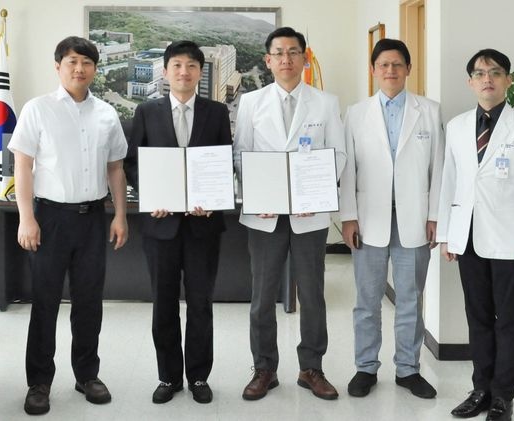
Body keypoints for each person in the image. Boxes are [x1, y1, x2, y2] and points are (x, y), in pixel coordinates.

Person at [9, 36, 128, 415]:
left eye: (87, 63)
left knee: (89, 302)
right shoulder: (38, 109)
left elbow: (115, 169)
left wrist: (120, 215)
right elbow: (23, 165)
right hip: (50, 219)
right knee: (45, 302)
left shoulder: (107, 113)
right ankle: (39, 382)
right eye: (72, 61)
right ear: (58, 66)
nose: (80, 69)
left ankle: (87, 375)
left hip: (93, 219)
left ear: (95, 69)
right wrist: (26, 218)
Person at [233, 26, 346, 401]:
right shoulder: (251, 102)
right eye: (279, 53)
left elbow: (338, 154)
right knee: (262, 297)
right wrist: (257, 196)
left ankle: (311, 368)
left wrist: (318, 190)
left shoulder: (325, 102)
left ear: (304, 58)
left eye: (293, 52)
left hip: (309, 215)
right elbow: (241, 155)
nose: (286, 59)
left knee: (312, 295)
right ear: (268, 60)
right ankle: (264, 368)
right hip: (264, 216)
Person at [436, 49, 514, 421]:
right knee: (478, 316)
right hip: (467, 236)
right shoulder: (456, 127)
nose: (487, 79)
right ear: (470, 82)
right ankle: (481, 389)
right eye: (480, 73)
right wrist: (447, 235)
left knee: (508, 319)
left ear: (508, 80)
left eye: (495, 72)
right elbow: (449, 183)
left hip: (509, 240)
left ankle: (503, 395)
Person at [124, 41, 232, 405]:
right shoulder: (146, 111)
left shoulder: (216, 112)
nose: (184, 72)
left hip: (203, 227)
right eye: (177, 65)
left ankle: (199, 376)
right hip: (161, 226)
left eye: (191, 66)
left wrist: (213, 200)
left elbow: (224, 161)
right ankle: (168, 376)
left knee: (201, 303)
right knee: (164, 303)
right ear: (166, 71)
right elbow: (132, 163)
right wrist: (151, 195)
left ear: (200, 72)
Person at [339, 38, 444, 399]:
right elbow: (348, 170)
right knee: (367, 300)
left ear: (408, 69)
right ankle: (365, 367)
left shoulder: (429, 110)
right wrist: (348, 217)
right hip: (368, 220)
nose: (390, 70)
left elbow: (438, 169)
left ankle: (408, 369)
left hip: (414, 218)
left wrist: (435, 216)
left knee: (410, 298)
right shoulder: (356, 113)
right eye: (383, 64)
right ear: (373, 70)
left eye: (397, 64)